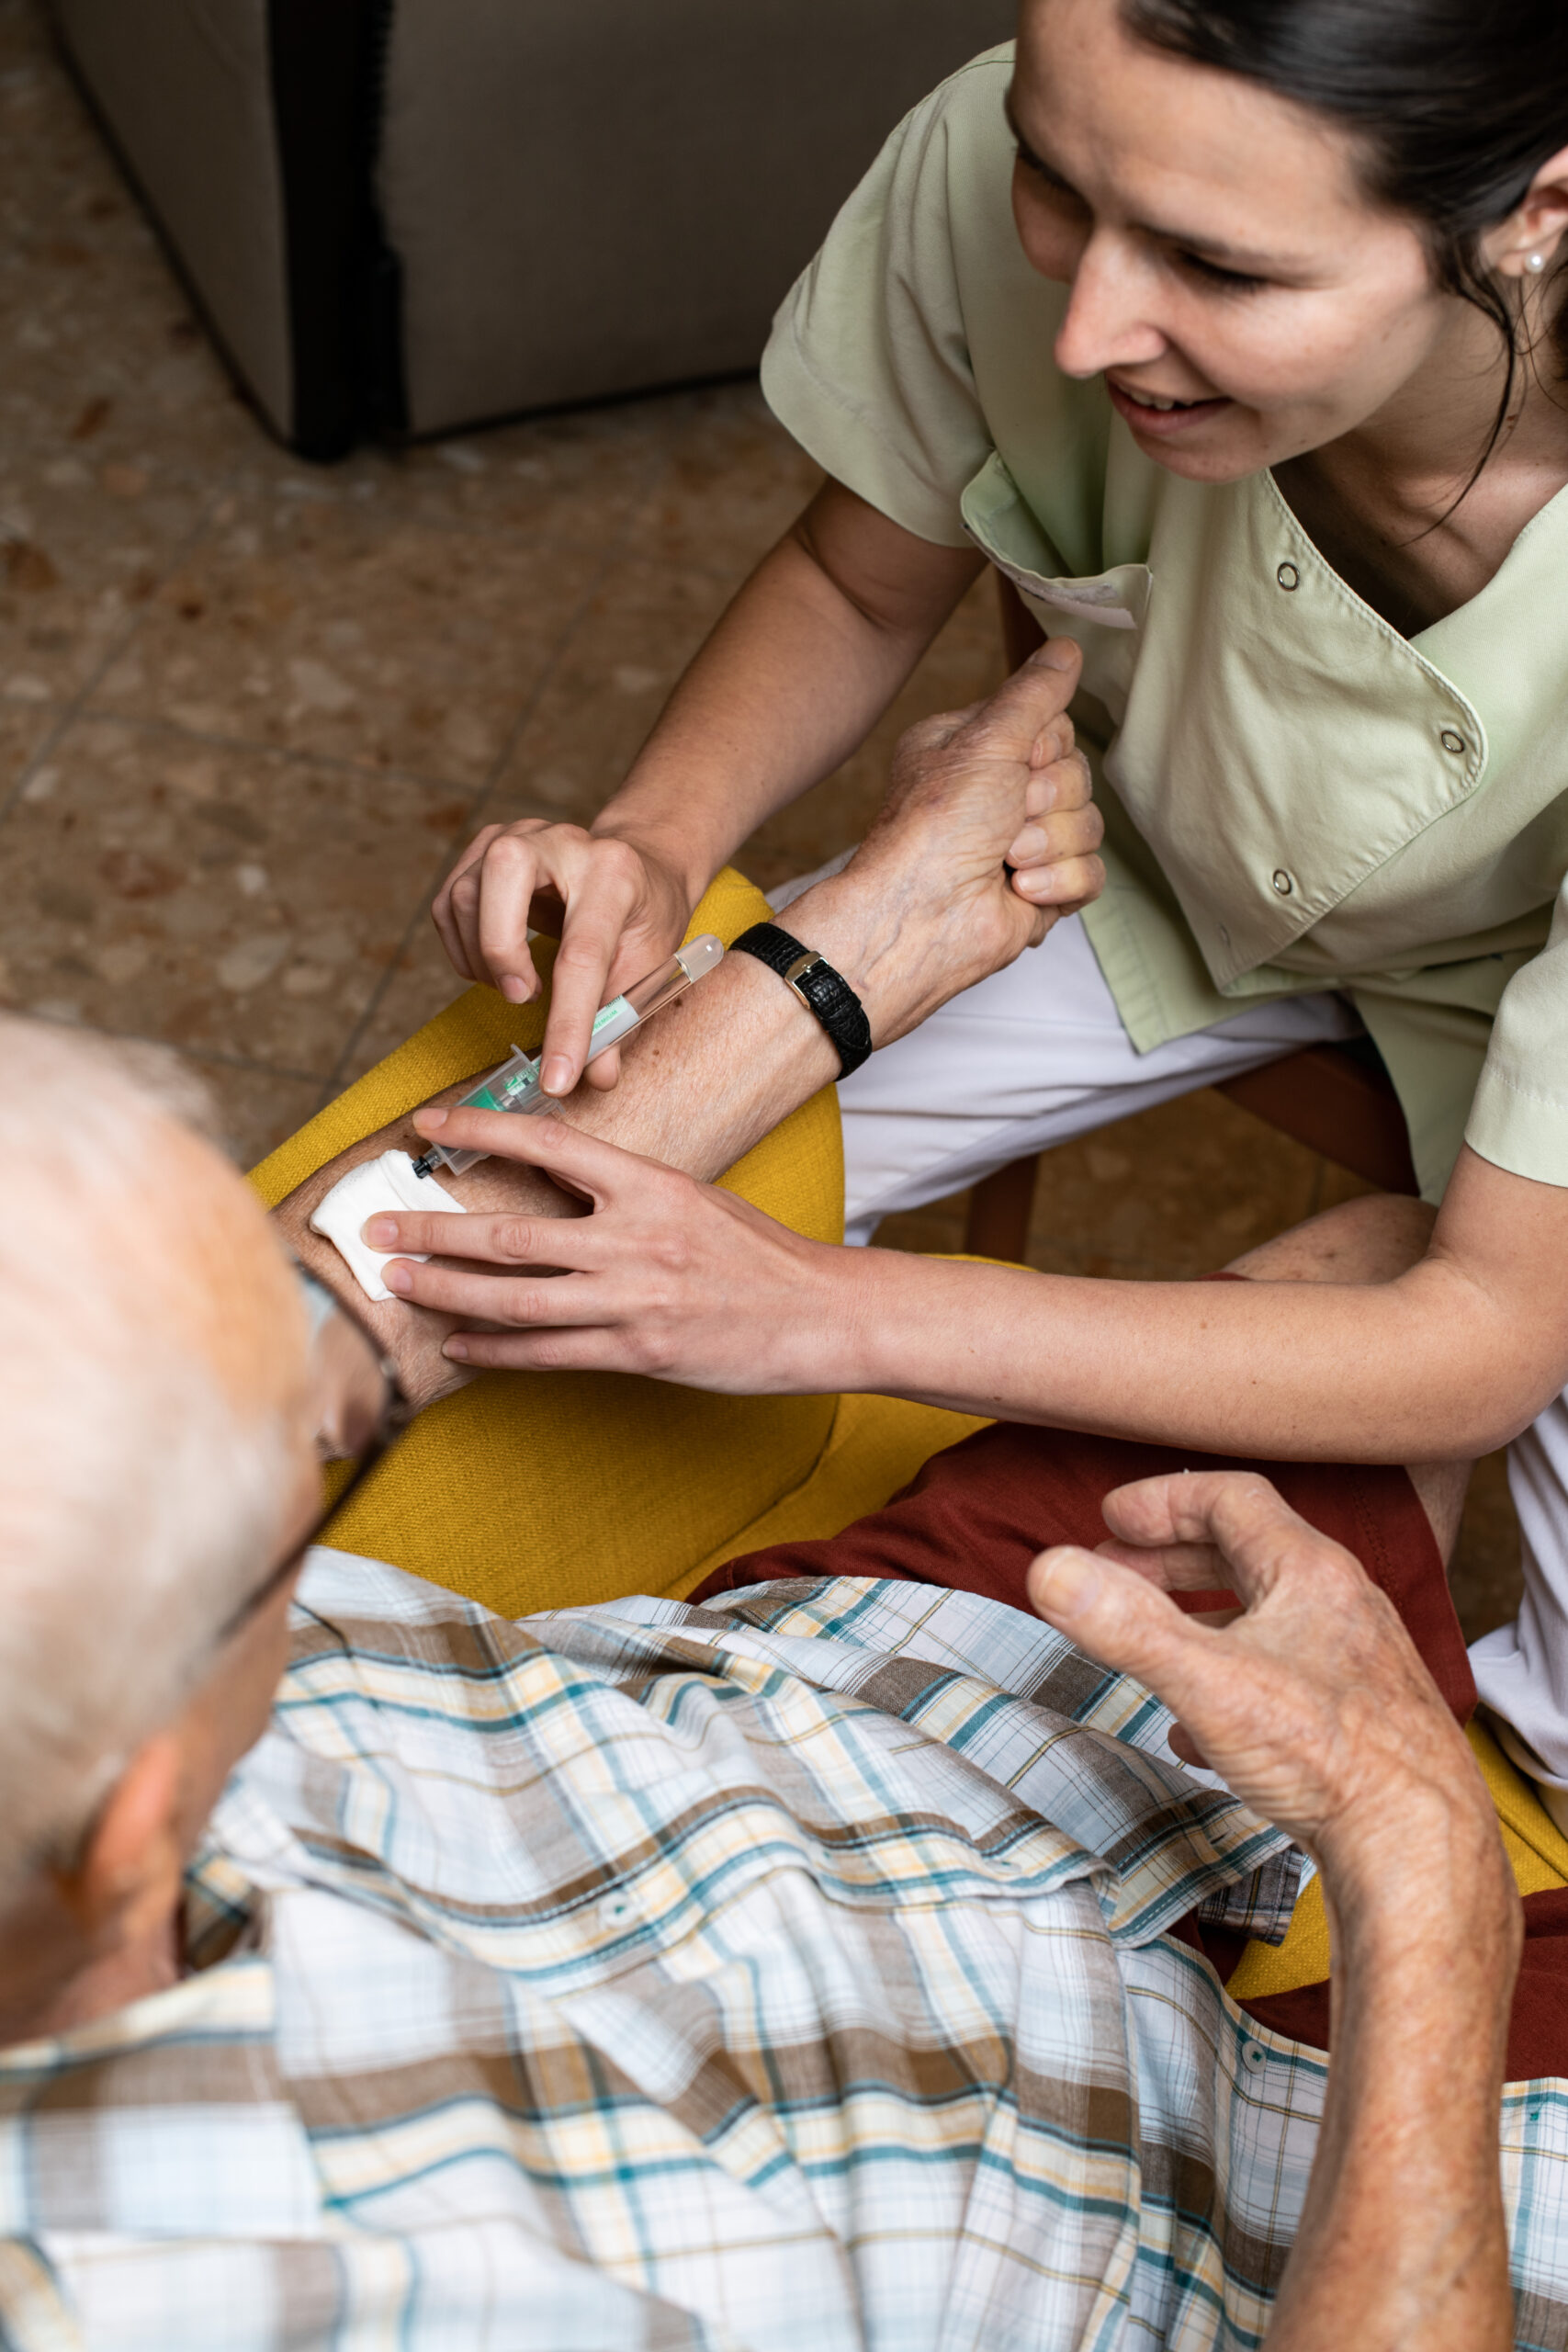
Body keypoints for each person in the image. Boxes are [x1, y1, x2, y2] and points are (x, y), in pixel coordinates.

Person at [408, 0, 1568, 1833]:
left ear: (1528, 210)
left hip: (1527, 1043)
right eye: (1055, 178)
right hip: (1121, 856)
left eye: (1215, 264)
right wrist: (650, 828)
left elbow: (1495, 1327)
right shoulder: (1031, 152)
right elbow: (854, 577)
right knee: (540, 1191)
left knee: (1554, 1776)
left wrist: (827, 1312)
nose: (1091, 322)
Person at [0, 1006, 1555, 2352]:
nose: (317, 1389)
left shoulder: (77, 1706)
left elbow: (272, 1351)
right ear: (138, 1820)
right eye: (313, 1492)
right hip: (1207, 2227)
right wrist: (1425, 1864)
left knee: (1388, 1274)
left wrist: (860, 944)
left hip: (849, 1734)